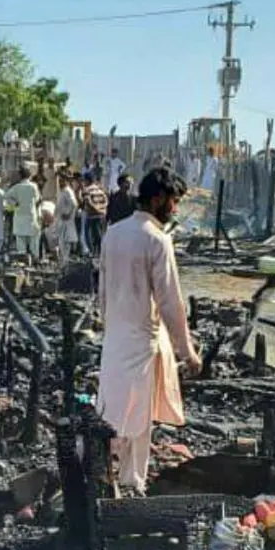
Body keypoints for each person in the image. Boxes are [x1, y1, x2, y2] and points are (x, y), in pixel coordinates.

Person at [96, 167, 201, 493]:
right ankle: (131, 483)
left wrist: (109, 322)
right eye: (173, 201)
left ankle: (103, 475)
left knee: (111, 410)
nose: (175, 209)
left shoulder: (113, 233)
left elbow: (102, 290)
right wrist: (188, 352)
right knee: (138, 419)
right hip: (142, 340)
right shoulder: (157, 239)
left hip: (114, 337)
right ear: (157, 198)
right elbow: (171, 302)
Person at [5, 167, 41, 261]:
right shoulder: (33, 186)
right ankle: (34, 259)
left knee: (20, 241)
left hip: (19, 216)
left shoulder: (16, 187)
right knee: (33, 240)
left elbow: (7, 197)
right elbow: (37, 199)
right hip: (30, 216)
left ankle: (22, 261)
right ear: (29, 176)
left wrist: (15, 204)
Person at [54, 173, 79, 264]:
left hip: (66, 220)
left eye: (62, 181)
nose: (60, 183)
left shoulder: (68, 191)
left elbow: (74, 204)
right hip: (60, 220)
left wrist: (68, 214)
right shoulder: (61, 191)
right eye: (59, 181)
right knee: (61, 241)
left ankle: (65, 260)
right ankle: (63, 260)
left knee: (66, 241)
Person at [82, 176, 108, 255]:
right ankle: (100, 252)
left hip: (91, 216)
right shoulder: (100, 189)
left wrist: (96, 209)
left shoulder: (86, 190)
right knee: (100, 234)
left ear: (87, 181)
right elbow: (106, 200)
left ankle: (93, 252)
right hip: (102, 215)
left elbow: (88, 202)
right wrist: (102, 209)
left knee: (89, 235)